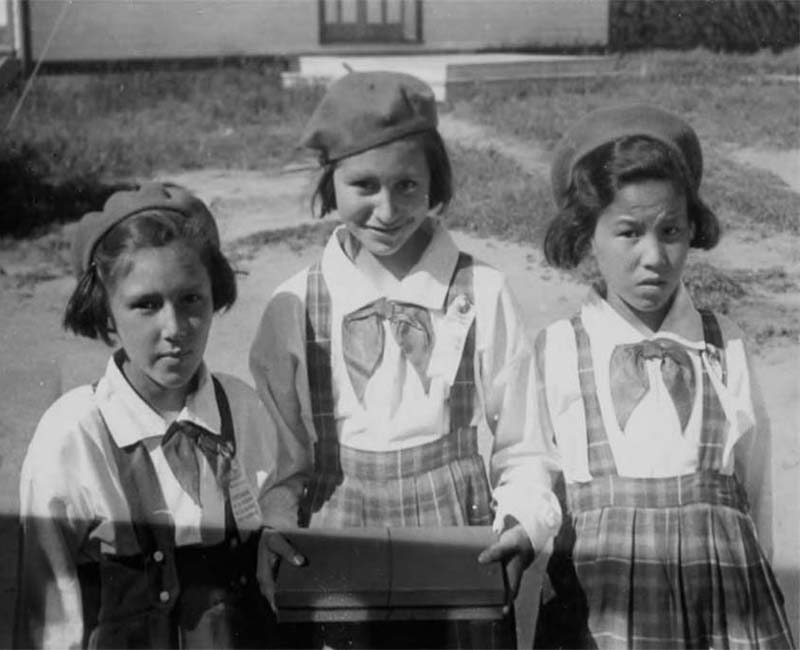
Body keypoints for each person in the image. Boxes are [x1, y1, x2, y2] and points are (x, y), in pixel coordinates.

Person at [249, 71, 561, 648]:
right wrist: (276, 527)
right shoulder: (294, 306)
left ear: (434, 181)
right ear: (331, 183)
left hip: (456, 538)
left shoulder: (482, 291)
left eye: (407, 185)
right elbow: (282, 461)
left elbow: (523, 442)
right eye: (364, 185)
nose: (387, 209)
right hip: (337, 542)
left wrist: (522, 522)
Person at [528, 104, 795, 649]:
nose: (654, 256)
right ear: (587, 235)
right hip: (602, 607)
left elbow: (755, 487)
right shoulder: (559, 349)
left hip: (721, 605)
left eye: (670, 231)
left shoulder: (725, 344)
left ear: (692, 229)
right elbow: (534, 472)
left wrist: (759, 582)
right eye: (629, 232)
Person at [14, 182, 302, 649]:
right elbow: (49, 612)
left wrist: (272, 528)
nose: (175, 328)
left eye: (191, 300)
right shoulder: (74, 435)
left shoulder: (240, 407)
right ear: (107, 315)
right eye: (146, 305)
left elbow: (276, 492)